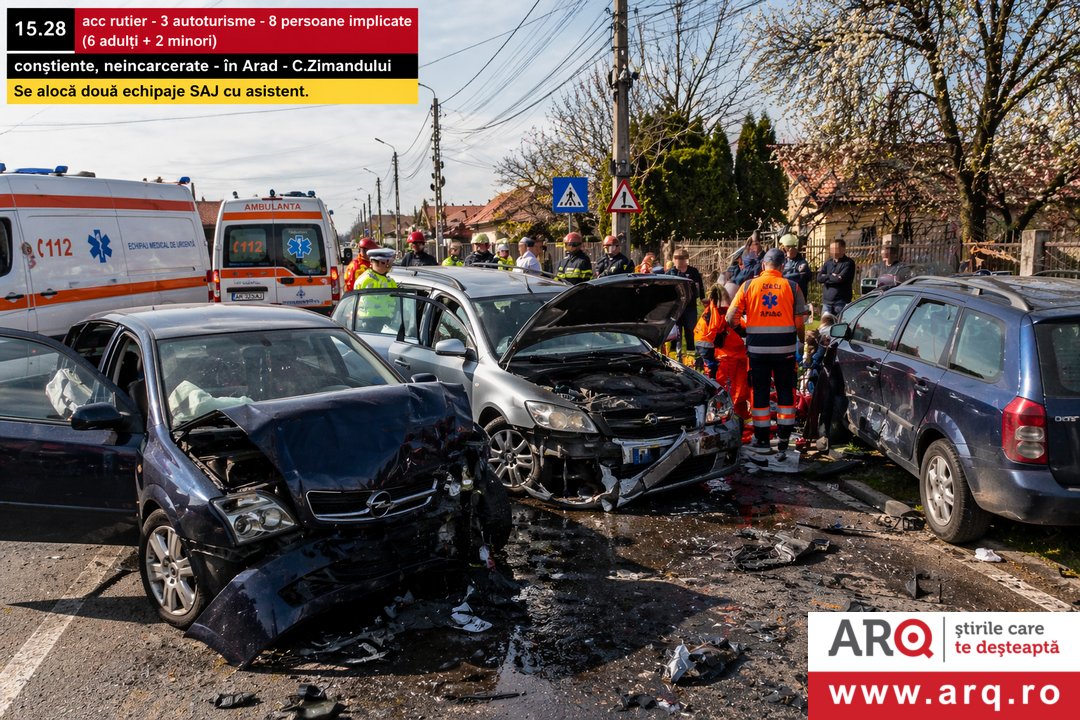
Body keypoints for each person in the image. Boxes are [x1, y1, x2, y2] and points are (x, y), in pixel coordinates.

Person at [727, 248, 808, 460]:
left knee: (760, 393)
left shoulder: (748, 285)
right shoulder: (792, 287)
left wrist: (745, 327)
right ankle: (783, 440)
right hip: (785, 352)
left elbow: (730, 317)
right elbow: (799, 321)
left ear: (763, 265)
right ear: (782, 266)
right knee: (785, 394)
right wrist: (801, 338)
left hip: (758, 351)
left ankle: (762, 440)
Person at [713, 285, 750, 421]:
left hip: (727, 360)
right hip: (737, 359)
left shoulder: (714, 315)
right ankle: (740, 421)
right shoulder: (733, 316)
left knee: (726, 392)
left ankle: (729, 420)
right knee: (739, 392)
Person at [667, 247, 705, 352]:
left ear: (686, 259)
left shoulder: (693, 272)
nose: (679, 260)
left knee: (690, 331)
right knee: (675, 332)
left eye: (681, 258)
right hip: (676, 308)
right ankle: (674, 353)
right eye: (676, 258)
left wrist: (703, 298)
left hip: (690, 307)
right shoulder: (670, 273)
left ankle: (691, 354)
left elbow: (700, 286)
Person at [355, 248, 399, 331]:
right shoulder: (365, 280)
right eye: (384, 263)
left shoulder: (390, 281)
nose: (388, 266)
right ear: (372, 262)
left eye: (389, 263)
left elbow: (397, 301)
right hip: (368, 321)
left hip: (387, 321)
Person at [816, 238, 856, 316]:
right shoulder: (828, 262)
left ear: (843, 249)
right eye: (832, 249)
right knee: (825, 327)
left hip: (841, 302)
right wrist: (831, 275)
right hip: (827, 302)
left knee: (840, 326)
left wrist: (827, 277)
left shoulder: (848, 263)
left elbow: (839, 280)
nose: (833, 251)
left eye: (836, 249)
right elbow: (819, 278)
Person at [693, 285, 724, 379]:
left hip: (699, 338)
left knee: (702, 363)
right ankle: (710, 381)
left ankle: (700, 375)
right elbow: (714, 327)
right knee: (711, 366)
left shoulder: (709, 308)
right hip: (705, 342)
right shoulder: (714, 311)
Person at [801, 312, 835, 394]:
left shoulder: (821, 332)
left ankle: (809, 391)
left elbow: (818, 354)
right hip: (824, 362)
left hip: (817, 363)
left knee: (812, 376)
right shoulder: (829, 331)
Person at [779, 233, 812, 299]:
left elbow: (801, 277)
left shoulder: (802, 263)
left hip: (797, 297)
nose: (782, 250)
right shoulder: (782, 260)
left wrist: (782, 277)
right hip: (784, 295)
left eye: (784, 248)